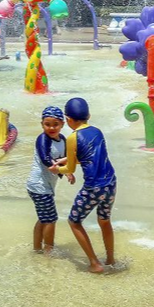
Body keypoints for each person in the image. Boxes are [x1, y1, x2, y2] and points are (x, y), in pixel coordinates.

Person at [50, 98, 117, 273]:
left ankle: (95, 263)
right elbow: (90, 157)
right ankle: (110, 259)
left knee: (74, 221)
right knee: (104, 220)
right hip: (110, 183)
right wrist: (67, 159)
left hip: (93, 187)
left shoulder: (73, 137)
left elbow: (70, 168)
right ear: (88, 115)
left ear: (68, 120)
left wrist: (56, 168)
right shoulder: (97, 131)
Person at [27, 106, 75, 255]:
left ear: (62, 124)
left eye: (55, 124)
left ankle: (37, 249)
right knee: (50, 218)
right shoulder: (43, 139)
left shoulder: (63, 140)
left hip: (46, 185)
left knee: (43, 217)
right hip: (38, 184)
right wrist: (57, 168)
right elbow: (45, 158)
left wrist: (67, 172)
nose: (51, 127)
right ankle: (49, 251)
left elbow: (66, 160)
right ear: (42, 125)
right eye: (47, 124)